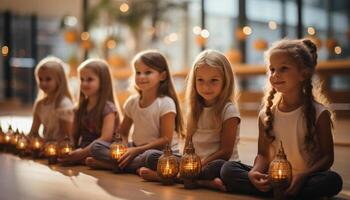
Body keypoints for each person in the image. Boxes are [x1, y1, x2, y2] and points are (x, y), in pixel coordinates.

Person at [221, 39, 343, 198]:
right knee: (227, 169)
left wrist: (302, 176)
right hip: (274, 177)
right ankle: (282, 191)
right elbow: (263, 155)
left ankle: (284, 190)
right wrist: (255, 171)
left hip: (306, 178)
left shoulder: (320, 113)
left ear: (303, 74)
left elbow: (327, 158)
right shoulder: (266, 114)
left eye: (283, 68)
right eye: (272, 69)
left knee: (332, 180)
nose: (275, 75)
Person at [140, 50, 240, 192]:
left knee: (222, 169)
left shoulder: (229, 110)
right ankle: (200, 181)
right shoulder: (194, 109)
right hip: (192, 163)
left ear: (226, 80)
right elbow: (188, 146)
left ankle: (165, 176)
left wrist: (199, 165)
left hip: (215, 164)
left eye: (214, 80)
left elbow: (226, 152)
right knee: (151, 156)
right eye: (200, 80)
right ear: (194, 81)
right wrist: (185, 164)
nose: (206, 87)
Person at [86, 50, 184, 174]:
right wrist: (124, 147)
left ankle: (111, 165)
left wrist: (137, 151)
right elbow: (123, 133)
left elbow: (166, 140)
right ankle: (125, 164)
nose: (141, 76)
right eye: (138, 72)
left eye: (148, 72)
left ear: (162, 76)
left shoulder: (166, 103)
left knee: (149, 157)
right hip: (136, 148)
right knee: (97, 147)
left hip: (163, 153)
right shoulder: (132, 102)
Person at [59, 58, 120, 165]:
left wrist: (81, 153)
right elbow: (74, 135)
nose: (84, 83)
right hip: (84, 148)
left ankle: (102, 163)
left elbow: (106, 138)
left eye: (90, 79)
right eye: (82, 79)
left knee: (99, 149)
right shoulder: (80, 107)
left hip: (101, 148)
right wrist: (70, 149)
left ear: (103, 82)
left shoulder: (108, 108)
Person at [29, 56, 74, 142]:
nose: (43, 83)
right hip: (47, 146)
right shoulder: (40, 104)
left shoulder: (64, 104)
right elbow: (33, 131)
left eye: (48, 79)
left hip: (61, 147)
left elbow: (67, 136)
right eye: (40, 79)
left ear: (59, 80)